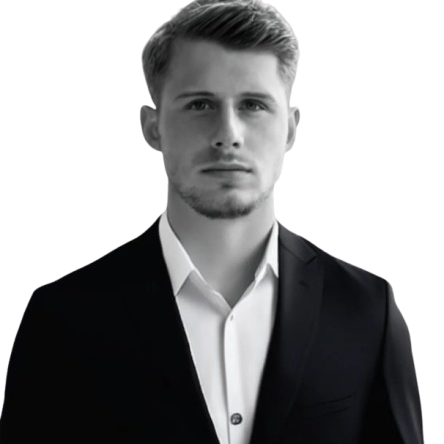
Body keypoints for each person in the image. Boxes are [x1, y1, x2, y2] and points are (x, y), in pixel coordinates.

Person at [0, 0, 424, 442]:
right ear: (151, 127)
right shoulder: (64, 317)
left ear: (291, 128)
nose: (228, 135)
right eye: (200, 104)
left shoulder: (366, 308)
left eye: (253, 105)